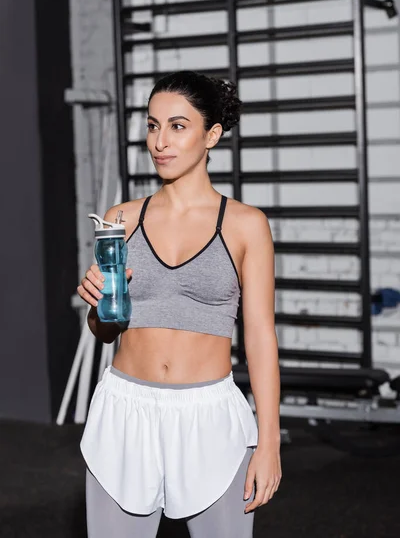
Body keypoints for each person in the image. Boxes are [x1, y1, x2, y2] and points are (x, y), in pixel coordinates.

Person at [77, 70, 281, 538]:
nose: (160, 142)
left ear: (211, 135)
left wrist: (268, 443)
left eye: (177, 125)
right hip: (125, 411)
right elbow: (107, 329)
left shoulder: (246, 225)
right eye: (152, 125)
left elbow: (261, 338)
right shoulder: (121, 218)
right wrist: (96, 304)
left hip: (210, 417)